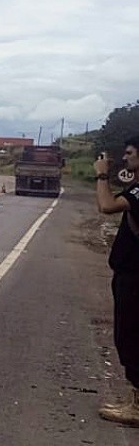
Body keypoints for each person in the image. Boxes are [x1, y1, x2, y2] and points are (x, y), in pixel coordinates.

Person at [94, 139, 139, 426]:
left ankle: (136, 406)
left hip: (135, 277)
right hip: (130, 274)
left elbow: (107, 206)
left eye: (130, 153)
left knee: (131, 336)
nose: (125, 158)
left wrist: (101, 175)